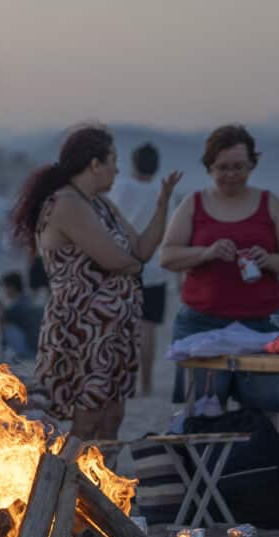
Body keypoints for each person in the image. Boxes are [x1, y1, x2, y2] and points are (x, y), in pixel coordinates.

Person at [9, 124, 181, 440]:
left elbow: (141, 249)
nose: (117, 170)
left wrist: (162, 204)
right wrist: (131, 266)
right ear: (94, 164)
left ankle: (102, 486)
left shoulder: (101, 204)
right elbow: (115, 260)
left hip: (114, 331)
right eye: (113, 161)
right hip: (83, 330)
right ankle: (69, 487)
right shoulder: (66, 203)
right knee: (87, 420)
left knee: (112, 418)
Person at [160, 124, 279, 425]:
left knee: (265, 414)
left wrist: (270, 260)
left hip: (263, 322)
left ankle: (260, 467)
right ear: (209, 167)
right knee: (200, 414)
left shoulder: (270, 203)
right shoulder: (194, 203)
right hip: (202, 322)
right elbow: (168, 256)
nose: (231, 174)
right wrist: (205, 253)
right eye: (222, 167)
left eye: (239, 166)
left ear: (252, 163)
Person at [110, 142, 169, 395]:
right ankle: (146, 384)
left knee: (123, 327)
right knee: (148, 327)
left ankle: (125, 382)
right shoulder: (161, 191)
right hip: (155, 267)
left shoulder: (120, 187)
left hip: (124, 264)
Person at [0, 271, 43, 359]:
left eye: (5, 287)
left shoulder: (19, 306)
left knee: (8, 328)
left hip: (30, 350)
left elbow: (1, 319)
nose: (4, 291)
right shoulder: (27, 300)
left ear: (11, 287)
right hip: (38, 347)